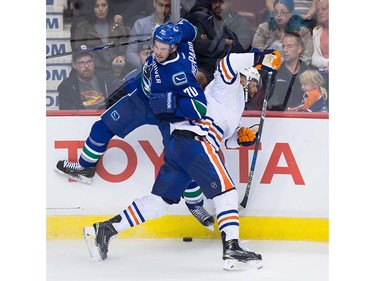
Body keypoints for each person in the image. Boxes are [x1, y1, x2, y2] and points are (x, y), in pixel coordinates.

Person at [83, 51, 281, 270]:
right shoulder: (228, 84)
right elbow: (227, 62)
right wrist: (262, 56)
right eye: (254, 83)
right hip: (195, 143)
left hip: (183, 145)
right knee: (226, 192)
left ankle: (104, 230)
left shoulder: (236, 107)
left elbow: (225, 139)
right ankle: (232, 248)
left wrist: (240, 138)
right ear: (245, 77)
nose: (256, 89)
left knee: (159, 203)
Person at [184, 0, 246, 89]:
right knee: (193, 78)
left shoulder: (236, 25)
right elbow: (197, 45)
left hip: (222, 70)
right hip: (200, 65)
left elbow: (239, 50)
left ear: (230, 3)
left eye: (221, 2)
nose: (217, 5)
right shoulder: (202, 21)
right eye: (214, 2)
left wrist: (211, 42)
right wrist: (225, 42)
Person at [70, 0, 129, 77]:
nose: (100, 9)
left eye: (104, 5)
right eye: (96, 6)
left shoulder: (118, 26)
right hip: (92, 71)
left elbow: (124, 50)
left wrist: (121, 57)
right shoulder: (83, 27)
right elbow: (79, 53)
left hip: (115, 70)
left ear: (109, 6)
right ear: (92, 8)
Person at [58, 45, 121, 110]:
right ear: (74, 65)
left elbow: (119, 100)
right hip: (82, 118)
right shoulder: (66, 86)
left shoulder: (107, 77)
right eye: (82, 63)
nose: (86, 66)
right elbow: (66, 110)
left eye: (89, 61)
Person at [253, 0, 313, 65]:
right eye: (276, 12)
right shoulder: (263, 28)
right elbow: (256, 52)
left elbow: (306, 57)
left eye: (283, 12)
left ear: (291, 13)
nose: (279, 15)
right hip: (266, 68)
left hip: (292, 71)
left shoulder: (303, 32)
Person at [267, 32, 312, 111]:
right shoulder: (275, 73)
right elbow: (270, 100)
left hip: (305, 119)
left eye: (289, 46)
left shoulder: (310, 73)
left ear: (299, 49)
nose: (285, 50)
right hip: (280, 118)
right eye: (283, 46)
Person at [125, 0, 171, 71]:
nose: (163, 10)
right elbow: (130, 54)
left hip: (167, 72)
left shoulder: (175, 27)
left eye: (167, 6)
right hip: (143, 71)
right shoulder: (140, 24)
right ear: (154, 3)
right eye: (160, 5)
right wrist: (149, 67)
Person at [311, 0, 328, 87]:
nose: (320, 12)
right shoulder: (316, 31)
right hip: (322, 71)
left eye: (324, 9)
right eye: (318, 10)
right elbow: (314, 58)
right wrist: (328, 63)